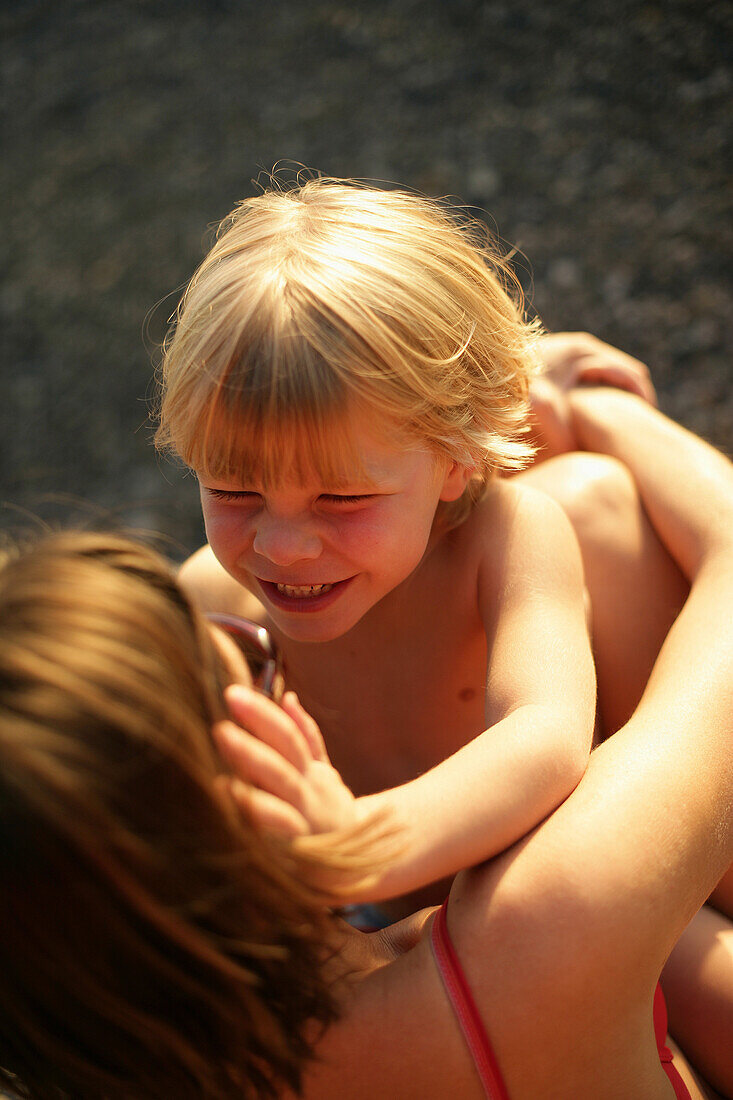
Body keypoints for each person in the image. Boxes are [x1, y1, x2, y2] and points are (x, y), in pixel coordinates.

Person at [1, 387, 731, 1099]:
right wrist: (606, 412)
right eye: (257, 659)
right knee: (590, 494)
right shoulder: (540, 927)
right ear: (241, 797)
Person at [155, 177, 639, 916]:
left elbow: (545, 734)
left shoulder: (502, 537)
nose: (281, 547)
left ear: (455, 458)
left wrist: (360, 843)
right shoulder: (212, 608)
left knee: (697, 962)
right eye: (232, 490)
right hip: (367, 917)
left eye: (341, 498)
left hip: (540, 876)